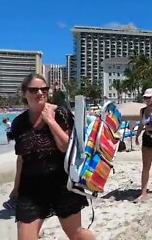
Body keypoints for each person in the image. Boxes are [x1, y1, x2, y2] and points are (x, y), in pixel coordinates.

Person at [9, 74, 93, 240]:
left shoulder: (60, 113)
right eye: (34, 89)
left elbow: (65, 147)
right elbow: (21, 159)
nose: (40, 92)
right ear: (24, 93)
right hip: (30, 190)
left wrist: (50, 121)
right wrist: (16, 188)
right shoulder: (18, 123)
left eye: (44, 89)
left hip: (61, 185)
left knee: (75, 234)